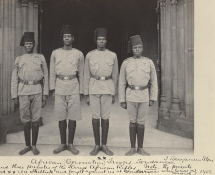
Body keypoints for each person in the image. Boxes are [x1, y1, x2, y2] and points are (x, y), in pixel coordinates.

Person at [119, 35, 158, 156]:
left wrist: (152, 98)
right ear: (132, 49)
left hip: (144, 96)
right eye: (135, 47)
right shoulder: (126, 63)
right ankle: (132, 148)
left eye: (139, 47)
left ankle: (140, 148)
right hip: (130, 95)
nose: (137, 49)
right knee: (132, 122)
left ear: (142, 48)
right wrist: (122, 100)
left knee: (141, 122)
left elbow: (153, 82)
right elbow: (121, 82)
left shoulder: (149, 62)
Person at [11, 32, 49, 155]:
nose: (29, 46)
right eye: (27, 44)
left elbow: (46, 76)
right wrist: (14, 95)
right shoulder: (19, 59)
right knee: (26, 119)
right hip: (23, 92)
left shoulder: (40, 58)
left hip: (37, 90)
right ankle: (27, 145)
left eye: (31, 44)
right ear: (24, 45)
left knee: (36, 119)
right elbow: (14, 78)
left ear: (34, 45)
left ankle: (34, 146)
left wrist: (45, 94)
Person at [50, 25, 84, 155]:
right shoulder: (55, 53)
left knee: (73, 117)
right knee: (61, 117)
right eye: (65, 37)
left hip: (73, 85)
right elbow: (52, 72)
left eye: (69, 36)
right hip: (59, 86)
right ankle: (62, 143)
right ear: (62, 39)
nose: (67, 39)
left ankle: (70, 144)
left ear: (73, 38)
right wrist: (52, 89)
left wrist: (81, 91)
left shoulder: (78, 54)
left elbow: (81, 73)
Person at [84, 28, 119, 156]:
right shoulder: (89, 55)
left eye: (103, 39)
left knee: (105, 117)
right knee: (95, 117)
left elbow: (115, 75)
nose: (101, 41)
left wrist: (114, 92)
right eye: (99, 39)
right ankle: (96, 145)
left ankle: (104, 145)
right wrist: (86, 94)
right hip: (93, 87)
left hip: (107, 88)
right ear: (96, 41)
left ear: (106, 41)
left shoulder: (113, 55)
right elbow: (86, 75)